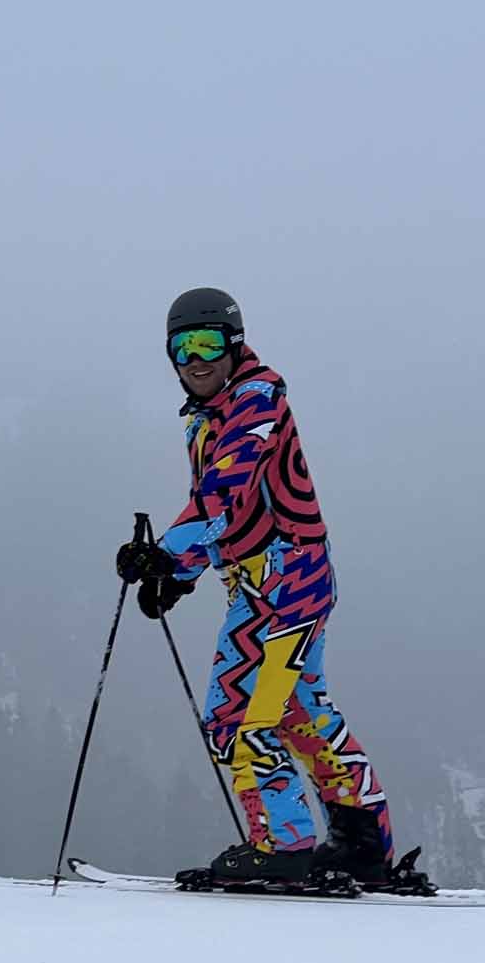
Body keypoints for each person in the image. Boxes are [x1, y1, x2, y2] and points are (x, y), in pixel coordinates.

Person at [116, 287, 428, 893]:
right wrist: (176, 576)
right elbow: (231, 514)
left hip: (283, 580)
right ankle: (364, 844)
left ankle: (282, 844)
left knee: (235, 712)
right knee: (296, 708)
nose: (196, 359)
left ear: (234, 345)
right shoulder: (213, 414)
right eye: (182, 347)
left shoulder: (255, 402)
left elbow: (227, 491)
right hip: (278, 578)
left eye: (209, 343)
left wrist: (166, 556)